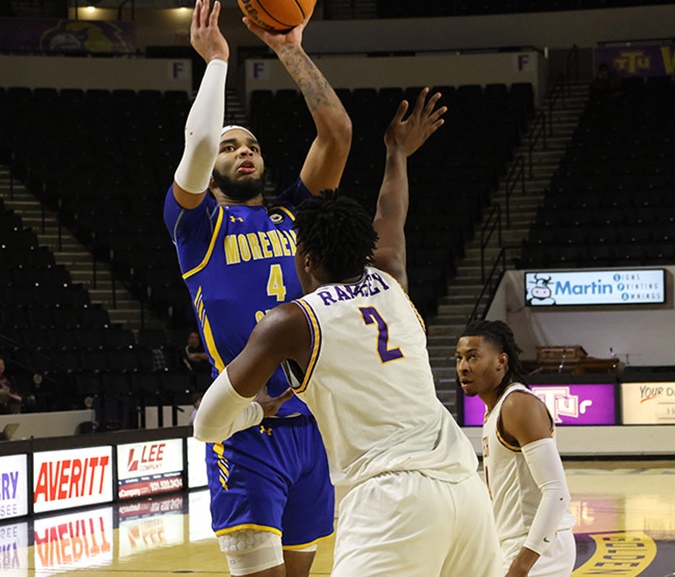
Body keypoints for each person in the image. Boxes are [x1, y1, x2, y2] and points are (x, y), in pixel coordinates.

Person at [195, 90, 499, 576]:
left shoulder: (294, 321)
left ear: (306, 261)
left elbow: (205, 426)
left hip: (393, 497)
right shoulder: (390, 280)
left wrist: (258, 409)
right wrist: (396, 153)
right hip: (465, 487)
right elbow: (391, 217)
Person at [167, 0, 353, 577]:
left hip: (312, 429)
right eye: (231, 146)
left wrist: (291, 51)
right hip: (247, 430)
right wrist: (217, 61)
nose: (243, 151)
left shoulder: (293, 215)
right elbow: (197, 146)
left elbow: (337, 133)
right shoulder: (195, 226)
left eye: (251, 145)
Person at [457, 320, 577, 577]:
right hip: (514, 544)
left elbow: (557, 492)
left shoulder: (517, 405)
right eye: (459, 358)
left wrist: (521, 565)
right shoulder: (495, 410)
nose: (463, 367)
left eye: (473, 357)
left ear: (501, 361)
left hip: (537, 549)